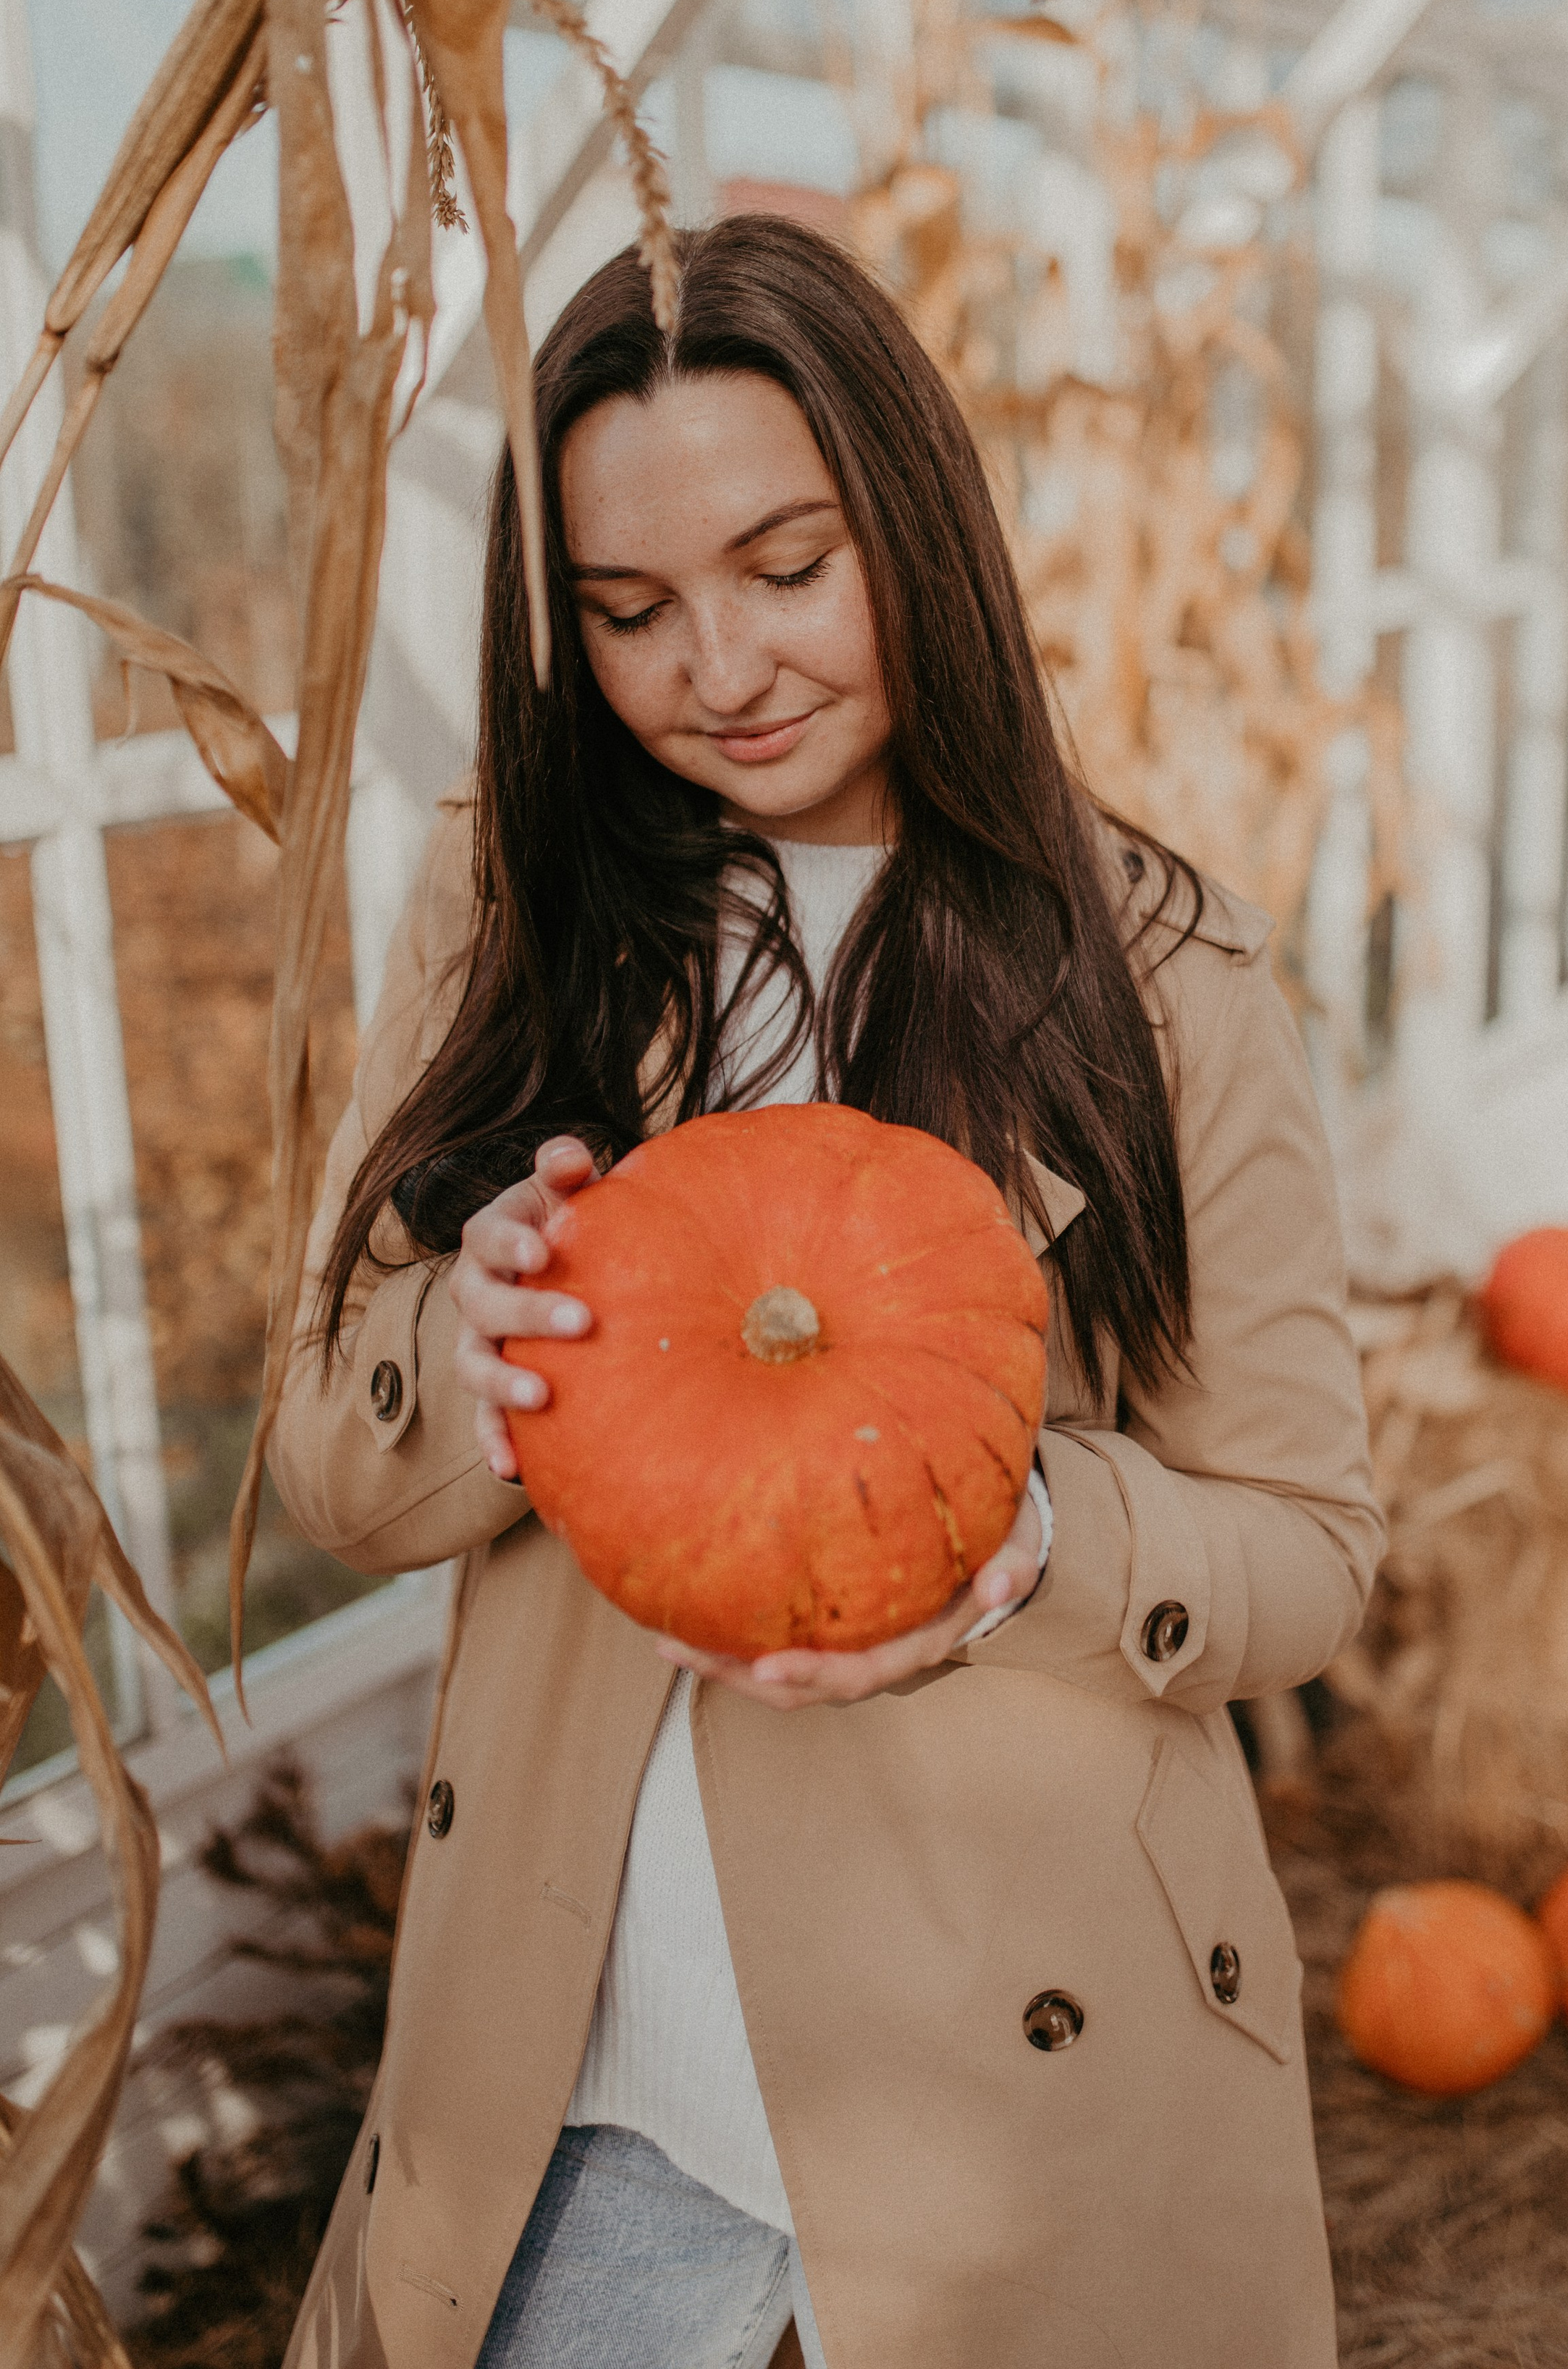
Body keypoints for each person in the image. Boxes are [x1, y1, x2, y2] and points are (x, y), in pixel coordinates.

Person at [274, 214, 1383, 2369]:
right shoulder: (513, 903)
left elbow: (1311, 1556)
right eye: (630, 610)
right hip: (593, 2065)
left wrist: (1032, 1543)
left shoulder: (1163, 976)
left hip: (1014, 2086)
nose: (722, 666)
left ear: (917, 532)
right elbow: (331, 1464)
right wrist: (470, 1352)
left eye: (789, 569)